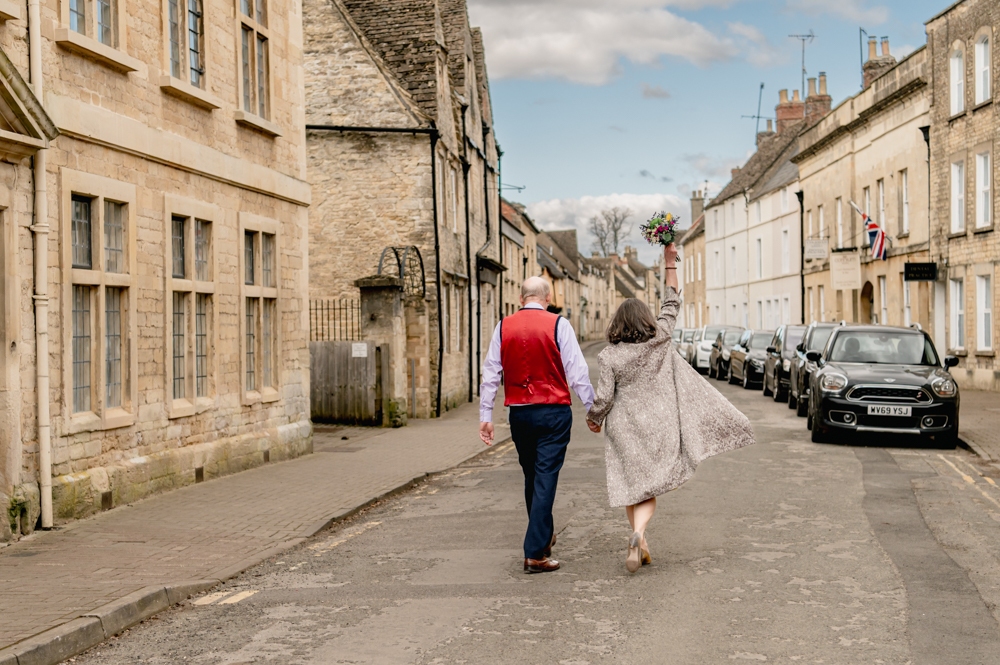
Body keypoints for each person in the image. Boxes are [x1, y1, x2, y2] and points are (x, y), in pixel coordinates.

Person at [586, 243, 754, 573]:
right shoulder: (660, 336)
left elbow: (604, 398)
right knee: (648, 486)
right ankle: (639, 535)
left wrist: (594, 419)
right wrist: (669, 262)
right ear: (645, 320)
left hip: (624, 425)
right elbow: (672, 299)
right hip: (659, 424)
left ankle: (637, 538)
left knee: (631, 483)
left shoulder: (609, 356)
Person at [479, 276, 595, 574]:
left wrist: (485, 416)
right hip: (553, 412)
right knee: (544, 477)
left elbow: (491, 372)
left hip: (519, 414)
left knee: (533, 476)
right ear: (548, 298)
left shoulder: (503, 326)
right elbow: (577, 372)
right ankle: (534, 553)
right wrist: (593, 409)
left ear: (521, 299)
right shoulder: (559, 324)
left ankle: (543, 538)